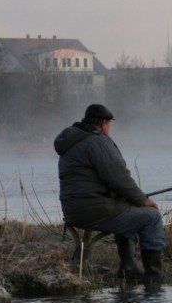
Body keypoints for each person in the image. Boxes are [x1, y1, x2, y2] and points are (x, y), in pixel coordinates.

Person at [54, 104, 165, 282]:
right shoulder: (97, 141)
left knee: (128, 206)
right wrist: (142, 199)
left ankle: (128, 267)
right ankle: (154, 277)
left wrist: (133, 199)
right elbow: (118, 178)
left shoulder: (71, 141)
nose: (109, 129)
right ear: (104, 123)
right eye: (109, 124)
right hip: (94, 211)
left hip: (73, 211)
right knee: (151, 217)